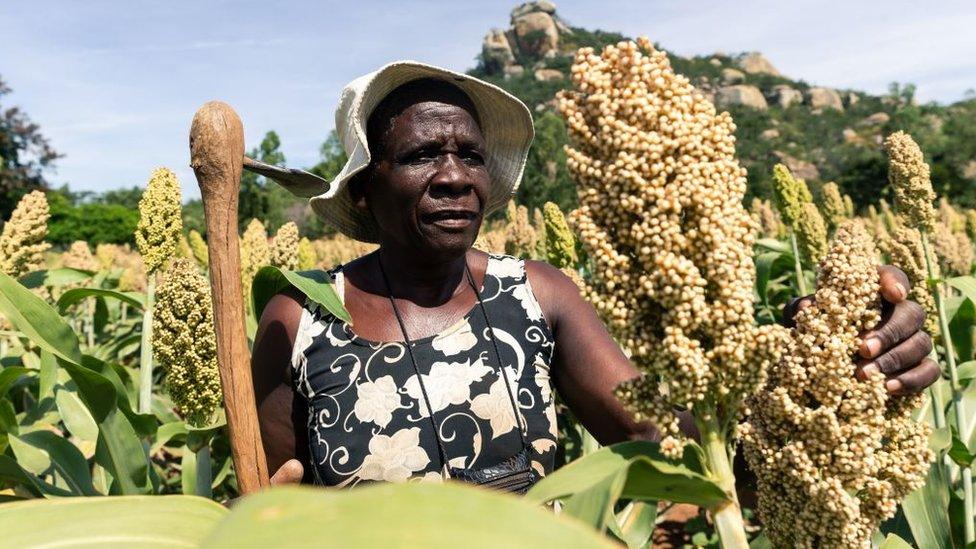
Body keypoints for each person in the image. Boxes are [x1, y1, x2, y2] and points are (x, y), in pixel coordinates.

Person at [248, 61, 938, 489]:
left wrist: (819, 363)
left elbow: (667, 443)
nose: (455, 176)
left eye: (471, 156)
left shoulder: (538, 294)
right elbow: (270, 501)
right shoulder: (300, 318)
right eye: (424, 154)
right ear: (365, 188)